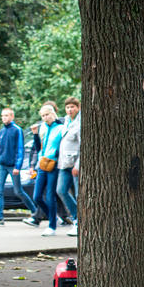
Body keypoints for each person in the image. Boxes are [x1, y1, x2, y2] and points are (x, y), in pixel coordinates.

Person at [0, 108, 37, 226]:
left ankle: (35, 211)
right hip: (2, 165)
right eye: (2, 116)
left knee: (18, 191)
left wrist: (17, 166)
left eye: (6, 115)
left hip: (13, 166)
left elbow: (20, 149)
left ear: (12, 116)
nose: (4, 118)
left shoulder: (17, 130)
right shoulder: (1, 131)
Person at [23, 105, 65, 236]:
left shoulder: (61, 128)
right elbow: (38, 147)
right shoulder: (43, 127)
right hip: (42, 164)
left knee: (50, 195)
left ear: (53, 114)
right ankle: (53, 216)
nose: (45, 118)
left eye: (47, 114)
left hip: (53, 163)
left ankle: (52, 226)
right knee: (37, 196)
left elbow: (62, 146)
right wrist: (35, 134)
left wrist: (57, 157)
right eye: (43, 116)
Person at [57, 97, 81, 237]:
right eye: (67, 107)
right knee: (61, 190)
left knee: (78, 194)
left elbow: (82, 145)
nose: (70, 110)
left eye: (72, 107)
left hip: (75, 164)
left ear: (77, 108)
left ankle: (79, 222)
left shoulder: (80, 123)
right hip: (64, 163)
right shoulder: (66, 121)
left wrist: (78, 165)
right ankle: (76, 216)